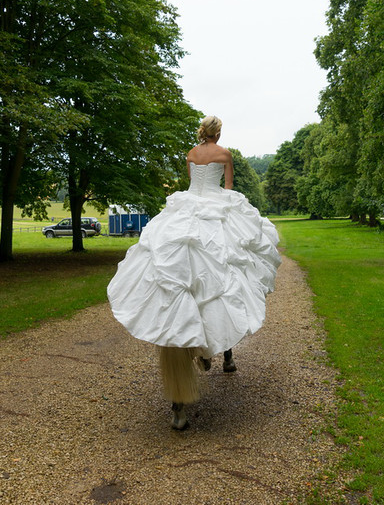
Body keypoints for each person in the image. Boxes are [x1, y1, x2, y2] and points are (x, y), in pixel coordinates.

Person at [107, 115, 281, 429]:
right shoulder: (225, 154)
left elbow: (193, 185)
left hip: (188, 208)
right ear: (219, 132)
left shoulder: (190, 153)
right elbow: (227, 188)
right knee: (227, 276)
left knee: (174, 272)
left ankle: (185, 389)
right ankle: (224, 353)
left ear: (202, 133)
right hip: (214, 208)